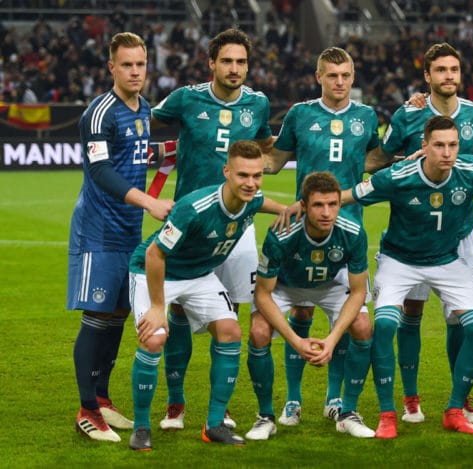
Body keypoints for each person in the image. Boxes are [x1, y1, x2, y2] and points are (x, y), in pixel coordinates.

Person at [149, 28, 275, 431]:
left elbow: (266, 150)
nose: (234, 68)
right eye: (227, 61)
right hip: (189, 224)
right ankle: (176, 403)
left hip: (239, 226)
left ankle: (220, 407)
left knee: (231, 315)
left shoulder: (258, 104)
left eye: (241, 62)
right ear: (212, 64)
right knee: (180, 311)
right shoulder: (186, 98)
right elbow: (144, 118)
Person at [128, 140, 285, 450]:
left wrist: (290, 208)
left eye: (256, 176)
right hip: (158, 272)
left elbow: (263, 202)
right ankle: (142, 426)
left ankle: (214, 425)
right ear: (227, 172)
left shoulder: (251, 199)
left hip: (199, 275)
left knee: (230, 331)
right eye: (242, 175)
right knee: (154, 337)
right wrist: (159, 307)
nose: (250, 183)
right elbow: (155, 256)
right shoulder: (194, 208)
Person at [350, 115, 473, 438]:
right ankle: (389, 413)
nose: (447, 152)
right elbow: (351, 195)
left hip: (447, 260)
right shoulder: (398, 176)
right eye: (439, 145)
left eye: (453, 145)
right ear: (423, 146)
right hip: (399, 260)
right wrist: (305, 206)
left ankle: (454, 409)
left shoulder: (469, 172)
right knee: (386, 323)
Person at [373, 42, 473, 426]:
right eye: (440, 70)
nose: (449, 76)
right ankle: (410, 398)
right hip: (413, 232)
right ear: (427, 76)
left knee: (463, 318)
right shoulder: (408, 115)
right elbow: (387, 158)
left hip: (462, 233)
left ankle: (463, 397)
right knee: (411, 312)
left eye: (454, 69)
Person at [262, 47, 380, 425]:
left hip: (349, 231)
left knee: (347, 320)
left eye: (346, 75)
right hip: (303, 230)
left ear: (353, 76)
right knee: (301, 308)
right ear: (319, 77)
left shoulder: (366, 116)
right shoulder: (300, 114)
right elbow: (274, 162)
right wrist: (231, 153)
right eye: (332, 75)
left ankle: (335, 398)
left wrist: (407, 156)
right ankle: (293, 401)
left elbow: (376, 159)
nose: (340, 82)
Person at [67, 32, 174, 443]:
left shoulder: (144, 108)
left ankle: (103, 398)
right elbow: (101, 171)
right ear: (111, 67)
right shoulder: (98, 114)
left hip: (129, 230)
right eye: (126, 65)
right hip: (98, 229)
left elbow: (134, 153)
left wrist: (164, 153)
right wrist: (148, 201)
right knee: (96, 317)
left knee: (117, 314)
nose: (134, 72)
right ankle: (86, 409)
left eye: (140, 65)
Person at [245, 171, 375, 440]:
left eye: (333, 204)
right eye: (318, 205)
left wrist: (331, 338)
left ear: (340, 203)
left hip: (330, 283)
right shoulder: (280, 234)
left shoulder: (352, 233)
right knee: (258, 331)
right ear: (303, 206)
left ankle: (347, 412)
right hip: (286, 285)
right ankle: (267, 416)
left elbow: (359, 291)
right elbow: (262, 294)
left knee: (362, 326)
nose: (326, 212)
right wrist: (295, 341)